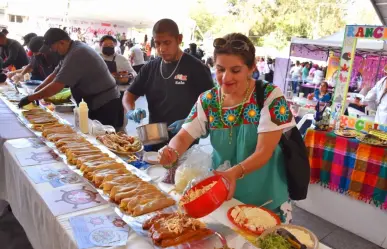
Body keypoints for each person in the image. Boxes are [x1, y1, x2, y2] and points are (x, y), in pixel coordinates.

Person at [158, 33, 296, 222]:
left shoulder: (270, 96)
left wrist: (233, 173)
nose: (226, 77)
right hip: (221, 198)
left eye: (236, 70)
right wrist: (172, 151)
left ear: (251, 68)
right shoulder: (208, 100)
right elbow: (183, 136)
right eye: (220, 69)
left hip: (266, 201)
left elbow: (264, 151)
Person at [122, 19, 213, 151]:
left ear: (179, 39)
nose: (162, 49)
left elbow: (212, 105)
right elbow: (128, 95)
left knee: (180, 171)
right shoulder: (150, 68)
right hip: (154, 137)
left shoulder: (197, 68)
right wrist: (131, 111)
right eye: (157, 43)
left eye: (167, 42)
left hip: (185, 139)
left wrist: (189, 122)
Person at [18, 28, 123, 129]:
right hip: (93, 101)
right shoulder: (70, 50)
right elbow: (55, 74)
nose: (52, 51)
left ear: (62, 42)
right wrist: (37, 90)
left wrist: (30, 98)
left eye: (53, 48)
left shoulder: (77, 53)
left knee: (102, 139)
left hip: (105, 103)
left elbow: (57, 86)